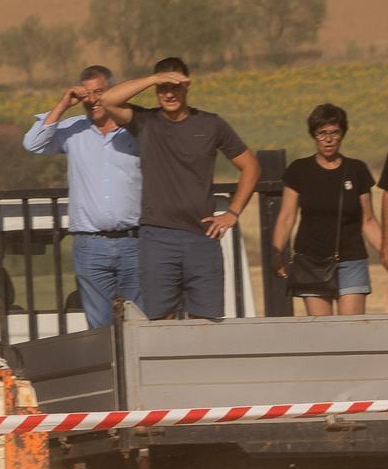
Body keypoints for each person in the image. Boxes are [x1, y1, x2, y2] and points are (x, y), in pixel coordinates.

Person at [98, 58, 260, 321]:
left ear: (187, 87)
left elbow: (251, 166)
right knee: (161, 322)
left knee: (206, 323)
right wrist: (154, 78)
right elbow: (108, 100)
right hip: (157, 238)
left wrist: (232, 213)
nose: (169, 94)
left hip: (203, 238)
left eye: (176, 87)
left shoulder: (211, 124)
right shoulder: (145, 121)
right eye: (163, 88)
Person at [22, 65, 143, 328]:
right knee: (100, 327)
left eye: (98, 92)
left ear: (112, 92)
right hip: (91, 245)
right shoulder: (73, 130)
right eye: (85, 94)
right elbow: (33, 143)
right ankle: (109, 371)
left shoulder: (135, 128)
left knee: (140, 325)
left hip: (134, 242)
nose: (91, 100)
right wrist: (64, 103)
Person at [272, 104, 379, 316]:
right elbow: (286, 217)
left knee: (352, 329)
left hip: (351, 259)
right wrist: (277, 251)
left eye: (334, 132)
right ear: (314, 135)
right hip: (311, 261)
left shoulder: (357, 170)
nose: (328, 139)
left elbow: (368, 221)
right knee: (324, 333)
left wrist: (384, 252)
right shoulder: (299, 170)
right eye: (322, 133)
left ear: (342, 134)